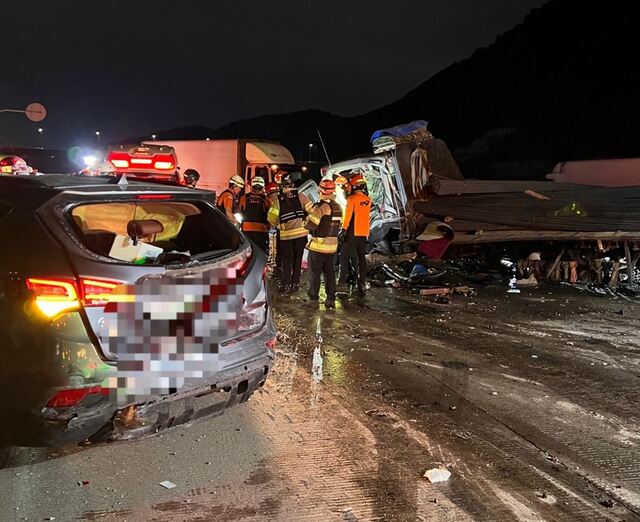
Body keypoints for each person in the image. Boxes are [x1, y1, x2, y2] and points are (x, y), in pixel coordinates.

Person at [267, 172, 309, 293]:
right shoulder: (302, 196)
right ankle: (295, 284)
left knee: (287, 261)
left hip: (286, 237)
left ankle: (286, 285)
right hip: (301, 235)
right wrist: (307, 224)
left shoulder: (278, 201)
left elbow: (271, 218)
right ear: (293, 184)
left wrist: (278, 224)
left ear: (282, 186)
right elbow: (312, 211)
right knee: (297, 260)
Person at [304, 178, 342, 308]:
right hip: (332, 247)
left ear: (320, 190)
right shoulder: (338, 206)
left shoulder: (321, 207)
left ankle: (313, 300)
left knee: (314, 274)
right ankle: (330, 299)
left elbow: (311, 225)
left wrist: (305, 220)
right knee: (330, 274)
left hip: (318, 246)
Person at [338, 171, 372, 296]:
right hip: (363, 233)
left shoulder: (352, 199)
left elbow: (348, 216)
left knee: (344, 256)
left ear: (355, 186)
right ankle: (362, 282)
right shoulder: (367, 200)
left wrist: (343, 229)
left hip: (352, 231)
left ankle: (342, 283)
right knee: (361, 258)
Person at [238, 176, 269, 253]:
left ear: (251, 186)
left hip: (246, 230)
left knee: (248, 253)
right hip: (261, 231)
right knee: (261, 252)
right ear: (263, 187)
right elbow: (269, 215)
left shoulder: (243, 198)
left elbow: (239, 212)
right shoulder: (266, 199)